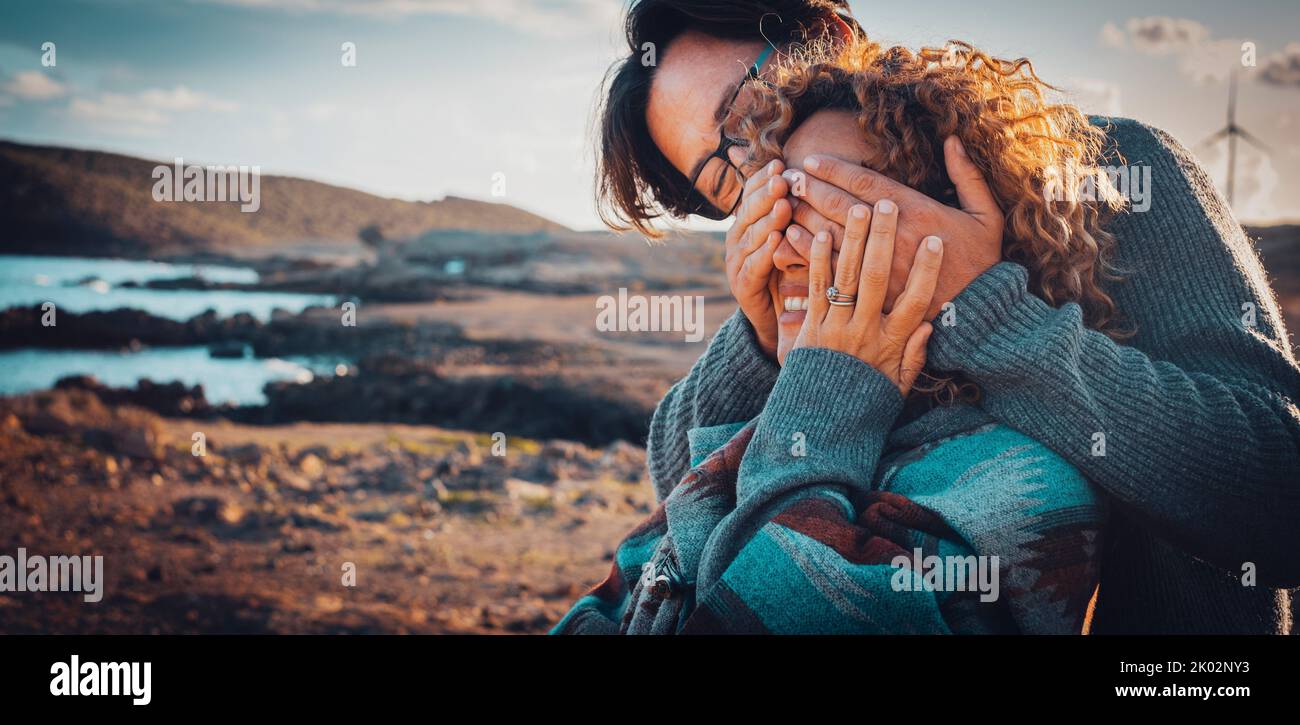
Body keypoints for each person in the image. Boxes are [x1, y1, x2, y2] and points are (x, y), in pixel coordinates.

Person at [583, 0, 1300, 634]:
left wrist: (988, 313)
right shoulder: (796, 274)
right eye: (723, 180)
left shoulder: (1115, 176)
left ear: (832, 35)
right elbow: (683, 503)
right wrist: (770, 346)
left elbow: (1280, 495)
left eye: (748, 111)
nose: (762, 171)